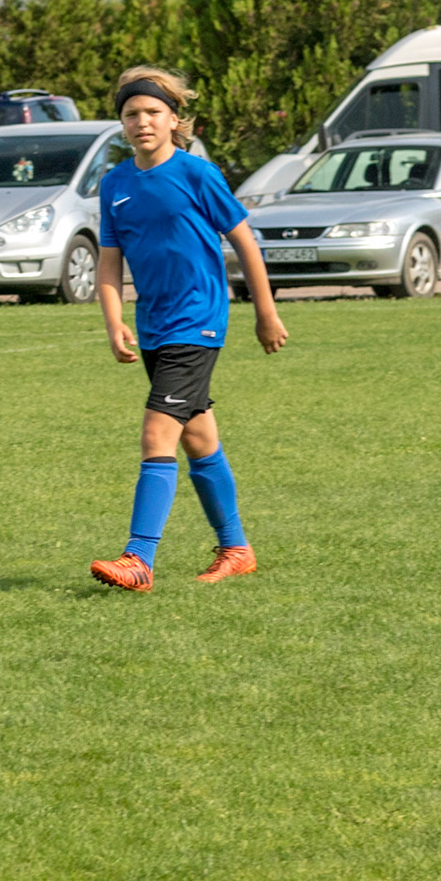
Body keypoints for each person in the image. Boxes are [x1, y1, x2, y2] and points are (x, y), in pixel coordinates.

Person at [88, 67, 289, 592]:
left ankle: (139, 558)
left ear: (174, 120)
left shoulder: (198, 175)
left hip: (197, 322)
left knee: (157, 432)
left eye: (152, 112)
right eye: (131, 114)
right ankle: (236, 549)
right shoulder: (115, 184)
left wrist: (264, 311)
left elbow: (246, 242)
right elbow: (110, 262)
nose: (142, 122)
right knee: (198, 438)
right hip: (154, 327)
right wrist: (114, 321)